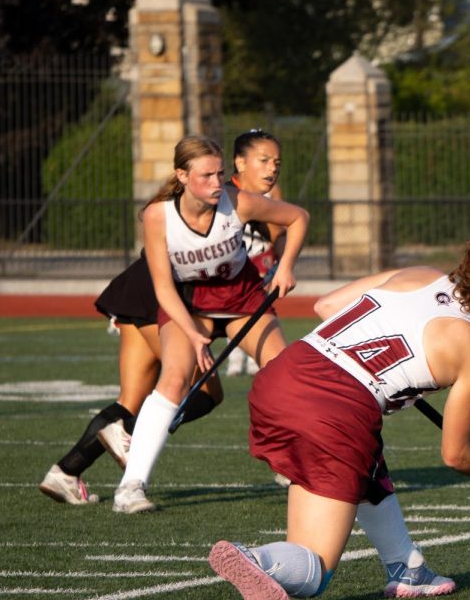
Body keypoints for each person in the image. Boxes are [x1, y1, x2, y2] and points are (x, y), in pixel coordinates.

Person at [208, 234, 470, 600]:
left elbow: (327, 306)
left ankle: (407, 568)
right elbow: (456, 455)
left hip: (283, 374)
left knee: (368, 458)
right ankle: (255, 559)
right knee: (314, 572)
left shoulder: (420, 273)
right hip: (334, 411)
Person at [111, 134, 308, 515]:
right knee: (173, 381)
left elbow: (299, 217)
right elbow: (164, 288)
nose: (217, 183)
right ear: (182, 176)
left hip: (241, 299)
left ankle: (289, 462)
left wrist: (286, 267)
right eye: (206, 176)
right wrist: (192, 335)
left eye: (220, 174)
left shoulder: (239, 203)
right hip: (188, 303)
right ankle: (130, 487)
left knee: (285, 373)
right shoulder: (158, 216)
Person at [38, 255, 223, 504]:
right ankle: (127, 430)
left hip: (140, 284)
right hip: (162, 292)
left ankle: (65, 472)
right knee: (208, 391)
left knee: (129, 402)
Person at [223, 129, 284, 378]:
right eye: (264, 160)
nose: (272, 168)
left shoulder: (268, 193)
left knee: (278, 367)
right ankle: (236, 359)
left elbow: (295, 220)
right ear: (240, 162)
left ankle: (251, 360)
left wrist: (284, 264)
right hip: (207, 290)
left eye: (276, 162)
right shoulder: (222, 196)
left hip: (257, 260)